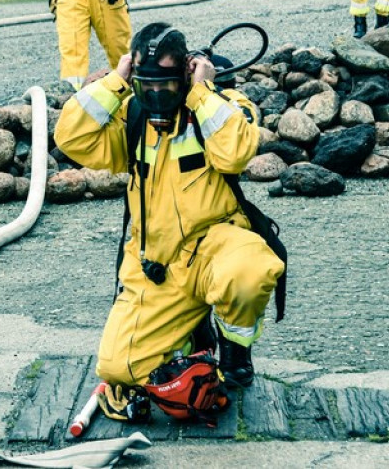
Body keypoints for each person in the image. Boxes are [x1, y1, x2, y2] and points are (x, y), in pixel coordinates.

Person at [54, 22, 285, 417]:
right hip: (156, 266)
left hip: (213, 248)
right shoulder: (132, 116)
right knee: (118, 368)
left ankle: (234, 352)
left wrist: (201, 93)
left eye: (168, 87)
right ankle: (191, 340)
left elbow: (235, 154)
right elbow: (71, 138)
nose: (157, 97)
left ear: (186, 74)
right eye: (148, 87)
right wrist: (117, 80)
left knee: (249, 270)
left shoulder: (223, 105)